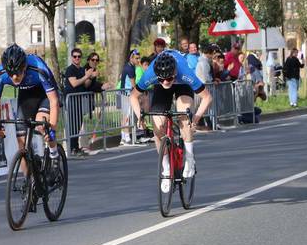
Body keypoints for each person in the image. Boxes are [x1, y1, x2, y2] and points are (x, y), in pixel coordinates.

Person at [129, 51, 213, 193]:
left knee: (184, 118)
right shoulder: (151, 75)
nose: (166, 82)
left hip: (182, 86)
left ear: (174, 73)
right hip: (161, 91)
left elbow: (207, 97)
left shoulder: (184, 72)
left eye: (169, 78)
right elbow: (133, 97)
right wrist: (140, 117)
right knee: (157, 126)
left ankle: (190, 159)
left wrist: (196, 118)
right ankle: (166, 169)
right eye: (162, 79)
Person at [0, 44, 60, 212]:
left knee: (41, 125)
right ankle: (29, 184)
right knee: (21, 143)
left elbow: (53, 101)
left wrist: (52, 127)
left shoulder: (38, 67)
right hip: (26, 98)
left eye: (18, 72)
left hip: (45, 95)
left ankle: (54, 155)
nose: (14, 77)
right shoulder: (1, 74)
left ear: (24, 67)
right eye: (11, 74)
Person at [63, 48, 96, 155]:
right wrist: (86, 76)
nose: (77, 58)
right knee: (73, 124)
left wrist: (90, 77)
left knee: (78, 125)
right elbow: (74, 83)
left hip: (79, 100)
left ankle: (76, 147)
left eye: (79, 56)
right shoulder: (70, 69)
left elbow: (85, 85)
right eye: (75, 56)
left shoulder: (82, 70)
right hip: (71, 100)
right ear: (72, 57)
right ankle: (72, 148)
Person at [82, 52, 112, 152]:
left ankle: (86, 144)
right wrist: (100, 86)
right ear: (88, 60)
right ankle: (83, 145)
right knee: (82, 123)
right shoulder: (87, 69)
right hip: (82, 99)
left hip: (89, 99)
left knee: (85, 122)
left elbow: (93, 85)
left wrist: (102, 85)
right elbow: (86, 85)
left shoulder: (94, 70)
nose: (95, 62)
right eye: (93, 60)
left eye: (97, 60)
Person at [118, 49, 140, 145]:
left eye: (139, 58)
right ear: (131, 58)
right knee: (126, 116)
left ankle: (124, 137)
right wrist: (140, 91)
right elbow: (133, 84)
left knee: (126, 116)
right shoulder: (130, 68)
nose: (138, 60)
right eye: (136, 58)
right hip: (126, 94)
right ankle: (125, 138)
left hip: (125, 92)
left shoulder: (130, 66)